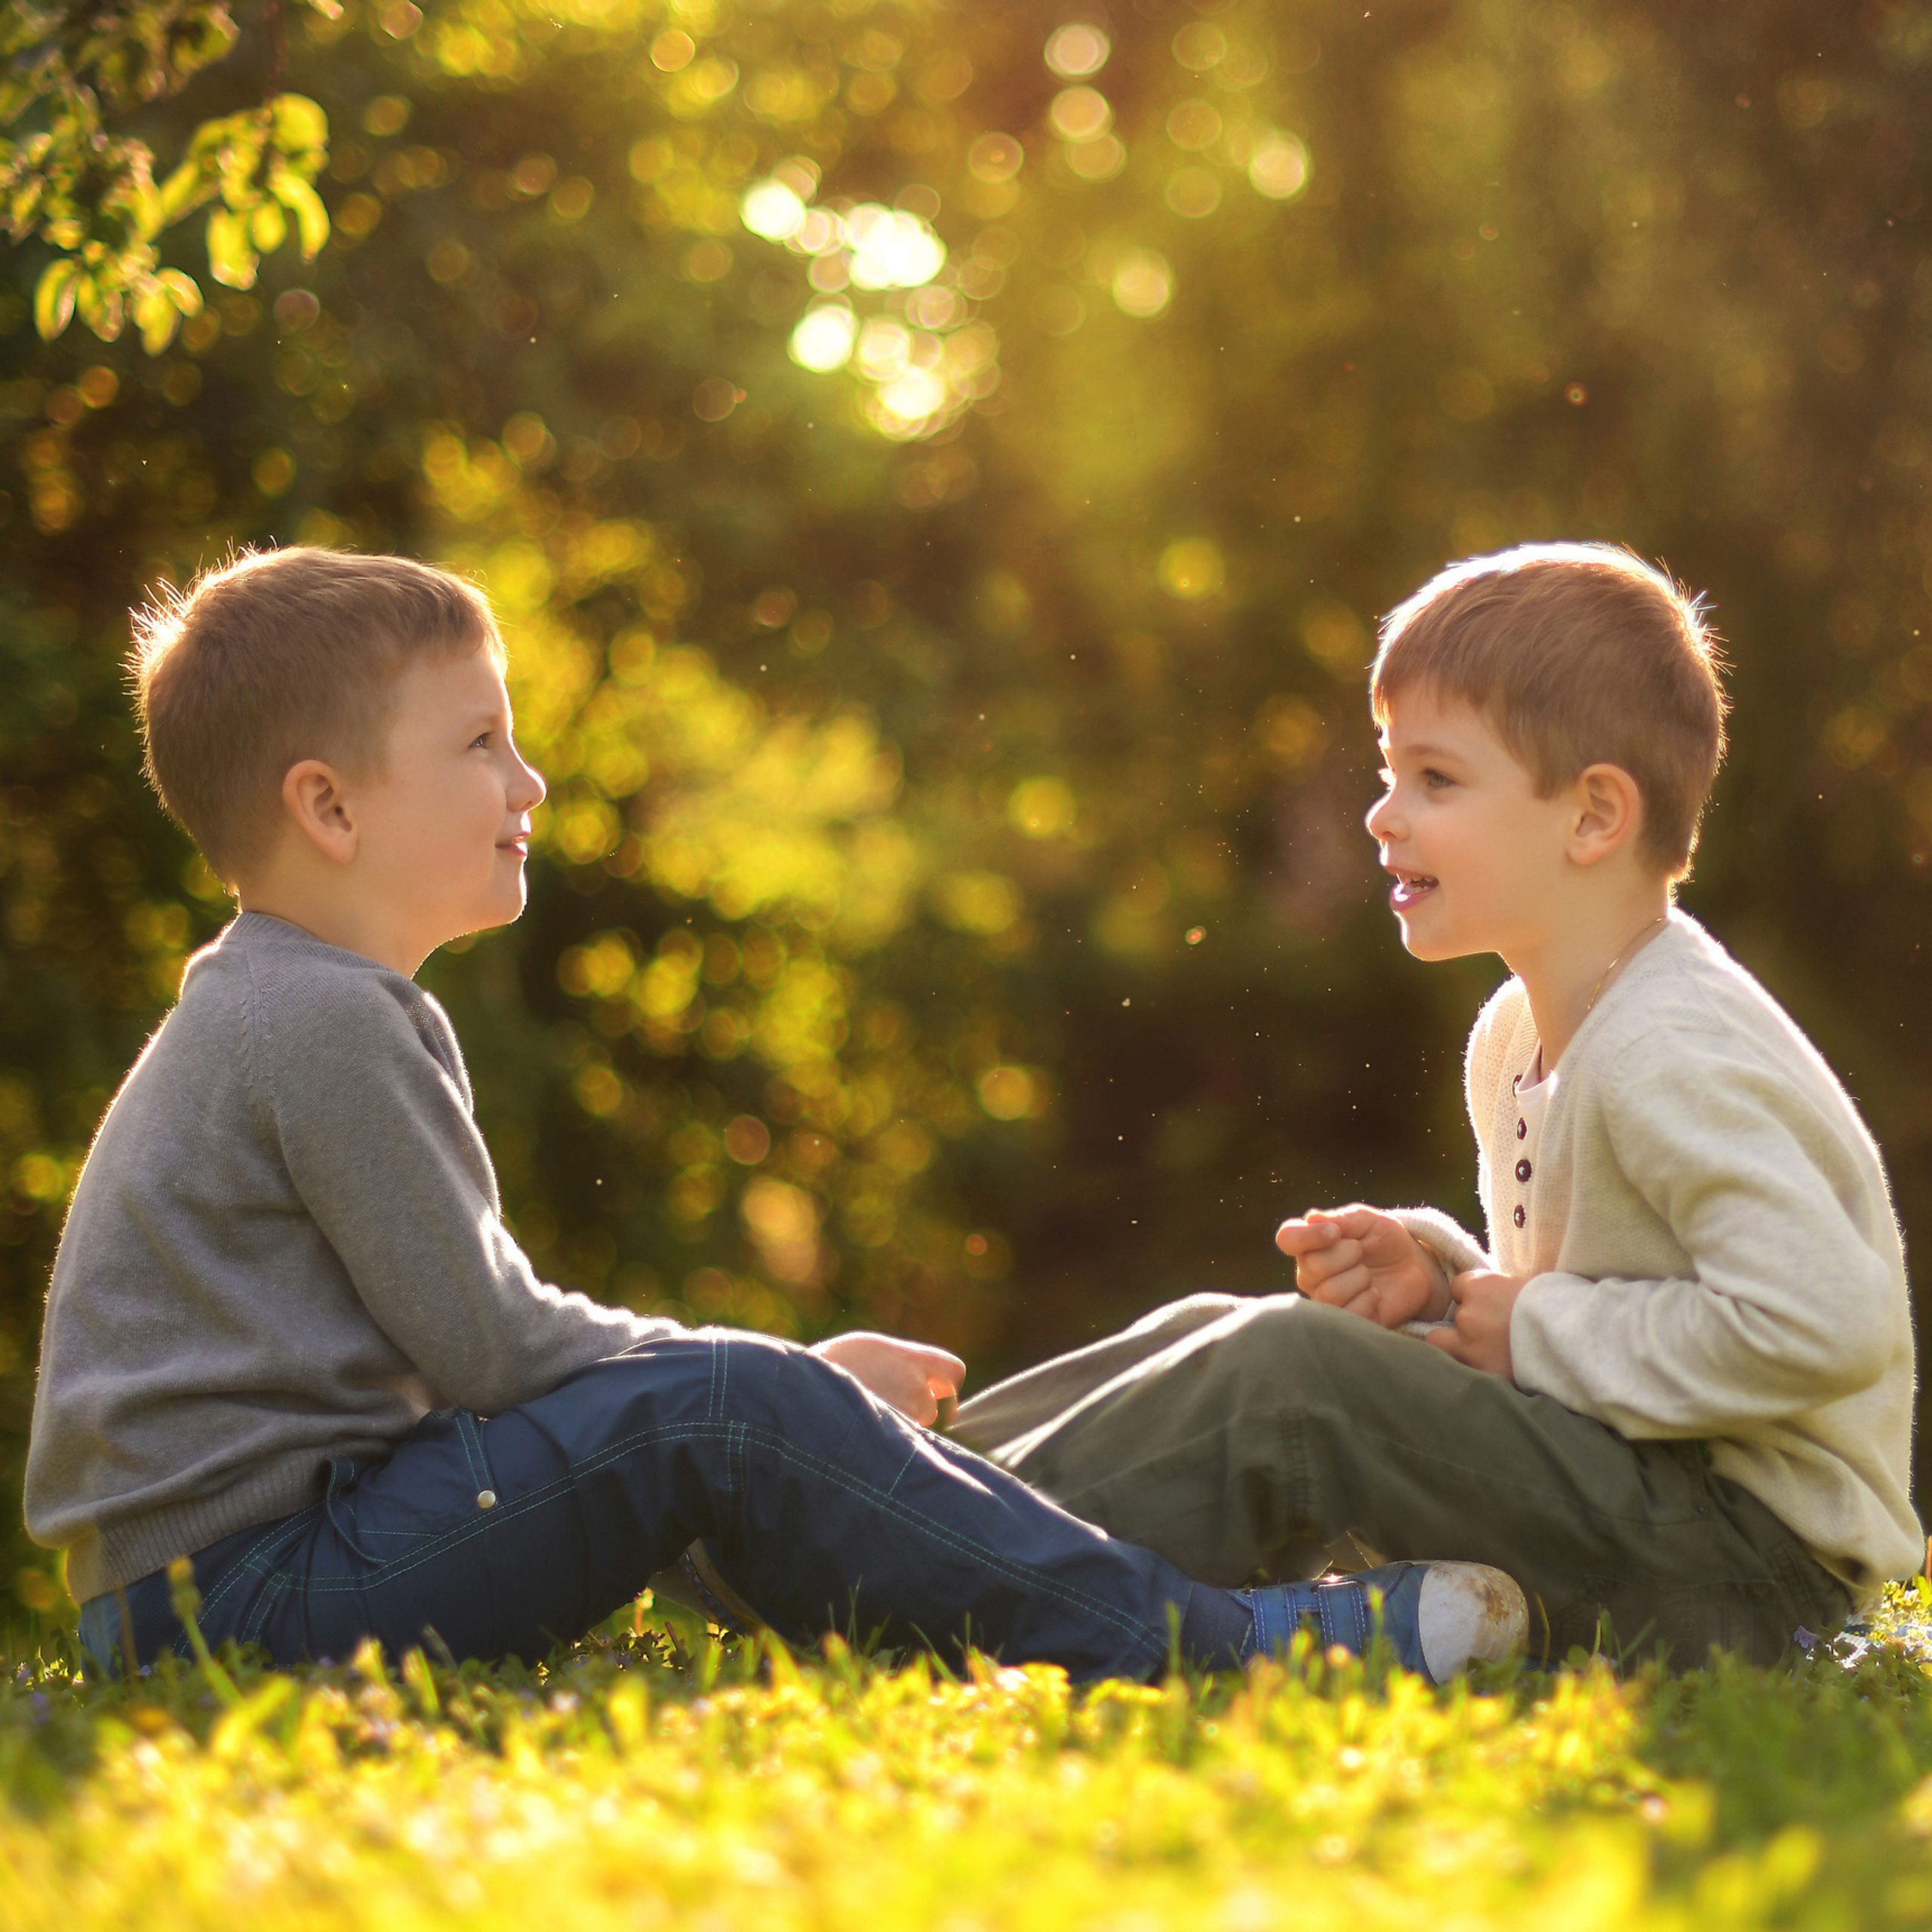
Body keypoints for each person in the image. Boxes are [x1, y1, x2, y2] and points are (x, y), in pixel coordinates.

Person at [25, 546, 1525, 1686]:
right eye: (478, 744)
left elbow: (496, 1376)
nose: (528, 779)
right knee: (725, 1404)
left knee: (738, 1406)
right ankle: (1226, 1644)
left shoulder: (295, 1001)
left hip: (234, 1588)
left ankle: (1032, 1547)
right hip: (249, 1604)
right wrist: (775, 1383)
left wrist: (778, 1398)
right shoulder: (321, 1016)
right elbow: (495, 1352)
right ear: (329, 808)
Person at [954, 543, 1919, 1668]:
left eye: (1437, 781)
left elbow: (1821, 1324)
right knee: (1224, 1332)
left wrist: (1534, 1330)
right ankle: (900, 1466)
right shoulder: (1517, 1030)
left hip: (1753, 1573)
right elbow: (1594, 1302)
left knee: (1295, 1376)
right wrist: (1448, 1284)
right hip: (1647, 1499)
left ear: (1593, 816)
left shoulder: (1671, 1047)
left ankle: (917, 1552)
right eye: (1390, 773)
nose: (1383, 816)